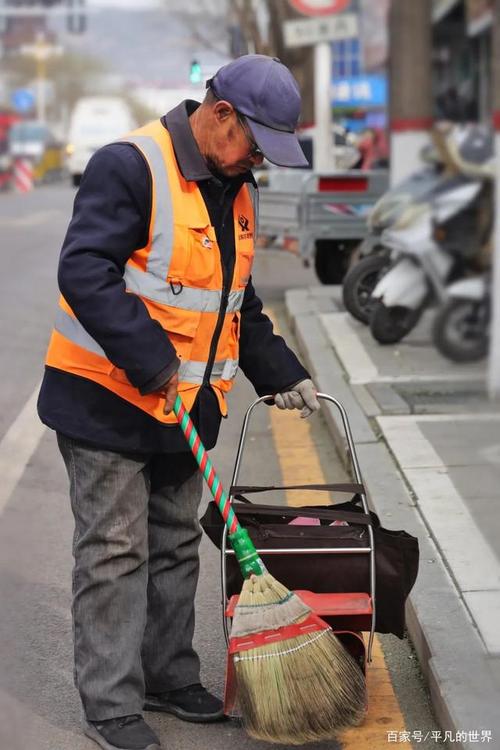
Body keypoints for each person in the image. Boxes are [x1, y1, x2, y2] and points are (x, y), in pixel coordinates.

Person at [38, 54, 320, 750]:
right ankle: (110, 706)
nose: (257, 159)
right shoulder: (131, 164)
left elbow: (235, 302)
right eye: (254, 143)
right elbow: (84, 269)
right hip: (108, 402)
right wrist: (152, 359)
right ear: (220, 114)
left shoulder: (236, 186)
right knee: (114, 551)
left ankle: (168, 675)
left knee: (172, 548)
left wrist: (283, 372)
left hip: (188, 408)